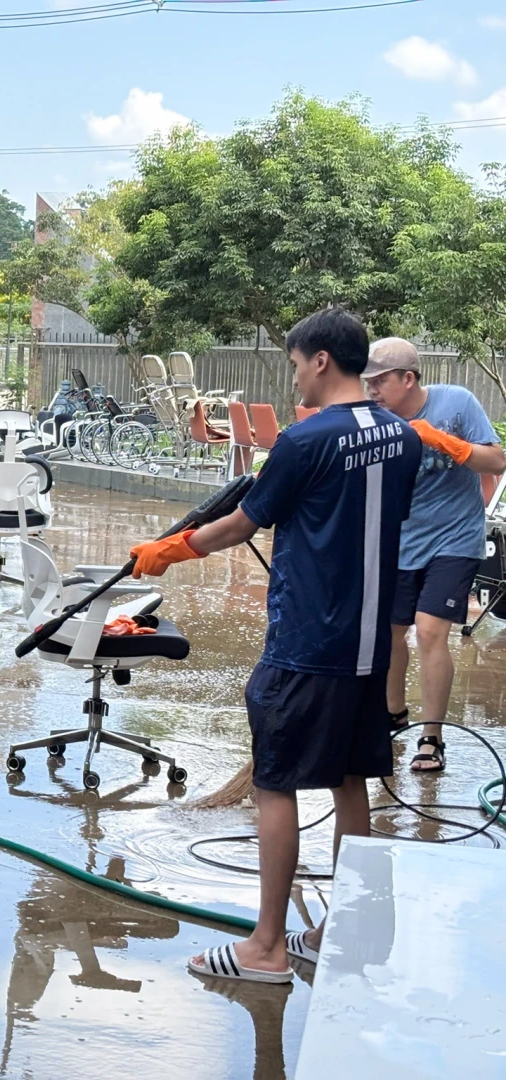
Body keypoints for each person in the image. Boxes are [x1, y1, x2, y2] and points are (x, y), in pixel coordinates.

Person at [130, 308, 420, 983]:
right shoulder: (402, 438)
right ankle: (339, 931)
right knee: (350, 780)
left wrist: (169, 550)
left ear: (320, 359)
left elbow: (241, 523)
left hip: (307, 639)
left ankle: (264, 946)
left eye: (295, 363)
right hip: (368, 641)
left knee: (274, 783)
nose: (296, 376)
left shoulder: (302, 440)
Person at [363, 338, 505, 773]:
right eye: (367, 381)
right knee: (390, 633)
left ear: (408, 378)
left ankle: (432, 736)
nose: (372, 390)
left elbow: (497, 461)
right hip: (398, 542)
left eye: (380, 380)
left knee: (429, 632)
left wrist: (446, 442)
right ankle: (393, 716)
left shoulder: (456, 403)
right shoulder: (372, 421)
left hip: (455, 540)